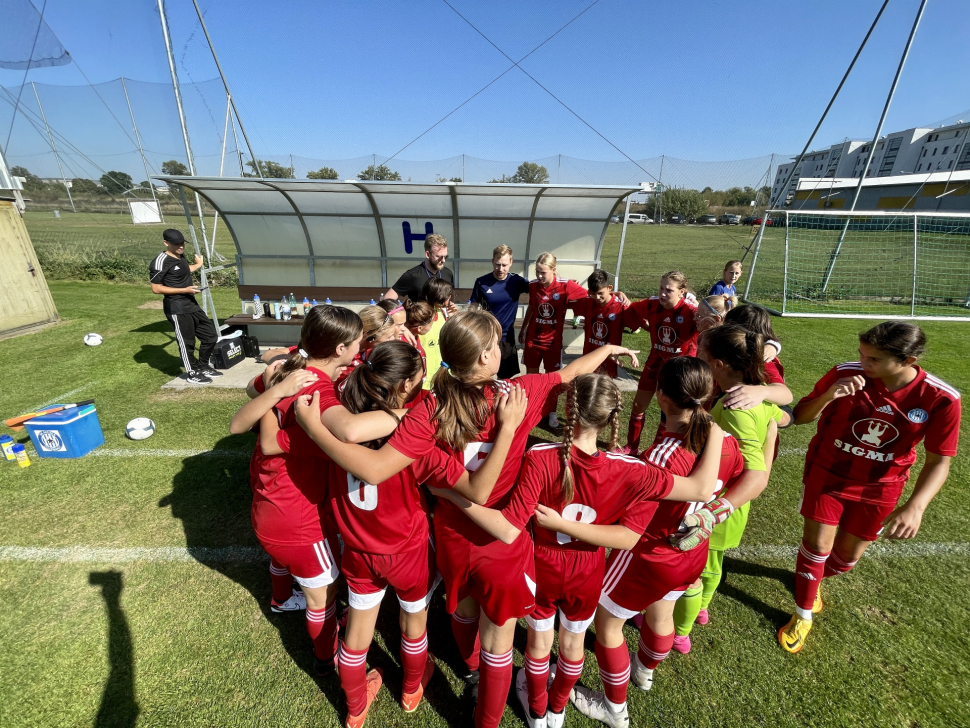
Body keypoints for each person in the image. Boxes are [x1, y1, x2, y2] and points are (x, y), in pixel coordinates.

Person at [294, 310, 640, 728]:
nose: (501, 349)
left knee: (461, 610)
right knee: (500, 642)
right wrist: (605, 350)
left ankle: (470, 669)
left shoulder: (428, 407)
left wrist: (317, 429)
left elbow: (374, 465)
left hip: (451, 534)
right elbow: (569, 375)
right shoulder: (518, 395)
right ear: (482, 358)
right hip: (501, 544)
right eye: (495, 344)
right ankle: (486, 714)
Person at [431, 372, 724, 728]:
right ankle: (556, 711)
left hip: (543, 566)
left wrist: (452, 495)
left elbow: (509, 528)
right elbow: (699, 489)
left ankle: (537, 710)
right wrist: (717, 434)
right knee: (572, 644)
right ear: (612, 418)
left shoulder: (538, 457)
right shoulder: (634, 470)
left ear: (567, 411)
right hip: (587, 571)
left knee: (539, 643)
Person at [287, 341, 524, 726]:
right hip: (407, 550)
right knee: (414, 624)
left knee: (358, 636)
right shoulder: (421, 445)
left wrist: (315, 426)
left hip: (359, 551)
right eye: (419, 381)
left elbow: (337, 410)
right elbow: (473, 489)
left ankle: (354, 708)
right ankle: (413, 688)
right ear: (404, 388)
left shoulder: (337, 414)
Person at [779, 322, 960, 654]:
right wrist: (828, 395)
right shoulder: (844, 375)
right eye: (861, 354)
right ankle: (803, 614)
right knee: (817, 545)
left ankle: (813, 578)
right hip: (828, 473)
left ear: (908, 360)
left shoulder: (941, 398)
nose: (863, 363)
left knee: (847, 558)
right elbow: (800, 416)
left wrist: (916, 506)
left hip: (881, 488)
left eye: (873, 359)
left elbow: (939, 462)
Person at [674, 324, 787, 643]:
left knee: (691, 572)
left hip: (715, 505)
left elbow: (756, 475)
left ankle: (679, 632)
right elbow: (780, 419)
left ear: (718, 365)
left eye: (701, 355)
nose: (696, 358)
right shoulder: (750, 392)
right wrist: (771, 431)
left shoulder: (736, 408)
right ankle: (702, 609)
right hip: (731, 506)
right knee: (713, 563)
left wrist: (712, 512)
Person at [620, 272, 699, 454]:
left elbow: (712, 327)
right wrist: (645, 325)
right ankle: (631, 447)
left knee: (670, 414)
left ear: (682, 292)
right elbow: (629, 312)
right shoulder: (652, 304)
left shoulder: (691, 312)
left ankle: (656, 450)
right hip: (655, 361)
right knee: (638, 405)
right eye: (661, 288)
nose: (663, 293)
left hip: (680, 370)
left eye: (669, 290)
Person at [519, 252, 588, 428]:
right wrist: (524, 328)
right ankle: (532, 410)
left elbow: (589, 297)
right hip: (533, 340)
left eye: (543, 272)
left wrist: (615, 292)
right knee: (532, 379)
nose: (539, 276)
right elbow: (532, 309)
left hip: (553, 343)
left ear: (554, 271)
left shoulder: (566, 286)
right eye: (537, 272)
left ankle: (551, 413)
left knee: (554, 380)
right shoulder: (533, 286)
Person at [148, 228, 219, 384]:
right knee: (187, 342)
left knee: (210, 335)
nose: (180, 246)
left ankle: (203, 366)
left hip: (191, 303)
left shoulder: (180, 256)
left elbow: (183, 270)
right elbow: (156, 288)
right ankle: (192, 373)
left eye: (182, 243)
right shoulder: (160, 261)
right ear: (166, 243)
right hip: (176, 307)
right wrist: (183, 290)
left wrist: (197, 265)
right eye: (176, 244)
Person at [470, 245, 530, 379]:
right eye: (497, 264)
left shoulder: (517, 281)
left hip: (506, 338)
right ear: (492, 262)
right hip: (486, 336)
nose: (500, 269)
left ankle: (503, 399)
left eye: (504, 265)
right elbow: (473, 304)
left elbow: (539, 288)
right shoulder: (481, 282)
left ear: (511, 263)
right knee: (482, 375)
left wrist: (563, 284)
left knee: (505, 379)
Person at [568, 269, 630, 380]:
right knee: (587, 389)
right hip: (588, 359)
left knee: (604, 392)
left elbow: (643, 323)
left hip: (608, 361)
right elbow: (562, 299)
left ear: (609, 288)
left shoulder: (621, 307)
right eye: (593, 293)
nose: (597, 297)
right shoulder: (588, 302)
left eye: (600, 294)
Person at [383, 233, 453, 302]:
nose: (443, 260)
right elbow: (387, 299)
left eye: (445, 257)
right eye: (439, 257)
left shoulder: (448, 273)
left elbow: (449, 299)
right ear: (428, 254)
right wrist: (401, 312)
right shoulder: (412, 275)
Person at [417, 278, 456, 390]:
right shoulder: (420, 314)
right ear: (440, 296)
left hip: (441, 375)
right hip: (423, 379)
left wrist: (453, 318)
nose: (450, 297)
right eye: (448, 295)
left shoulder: (442, 312)